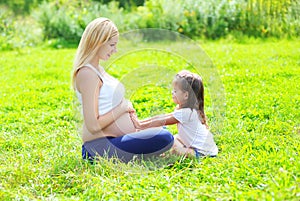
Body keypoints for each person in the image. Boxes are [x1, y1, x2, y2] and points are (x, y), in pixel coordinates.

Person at [72, 17, 174, 163]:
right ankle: (142, 154)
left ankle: (141, 152)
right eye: (112, 45)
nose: (115, 50)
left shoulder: (98, 69)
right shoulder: (87, 74)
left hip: (115, 140)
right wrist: (122, 108)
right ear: (98, 42)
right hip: (99, 147)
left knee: (162, 132)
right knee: (164, 138)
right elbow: (93, 125)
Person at [130, 70, 218, 158]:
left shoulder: (187, 113)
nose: (172, 92)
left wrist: (139, 125)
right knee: (174, 138)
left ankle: (162, 154)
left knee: (171, 144)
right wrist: (140, 123)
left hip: (203, 153)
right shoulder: (187, 110)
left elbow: (162, 121)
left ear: (186, 95)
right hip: (203, 148)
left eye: (175, 91)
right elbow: (163, 117)